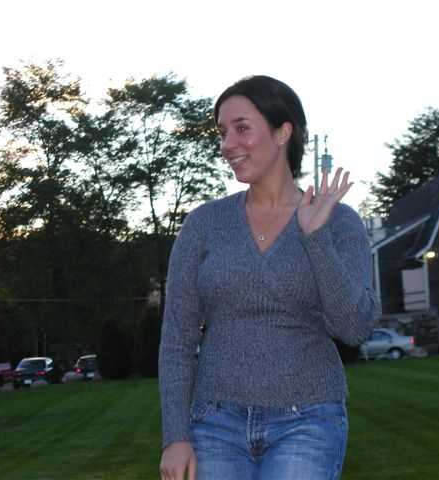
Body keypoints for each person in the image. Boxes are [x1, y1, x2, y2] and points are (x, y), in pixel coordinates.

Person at [158, 75, 381, 480]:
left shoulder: (339, 222)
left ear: (282, 132)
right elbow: (177, 337)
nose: (228, 145)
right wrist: (176, 436)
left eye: (242, 128)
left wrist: (315, 238)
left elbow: (353, 327)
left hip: (308, 420)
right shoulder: (204, 224)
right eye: (223, 133)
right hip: (215, 423)